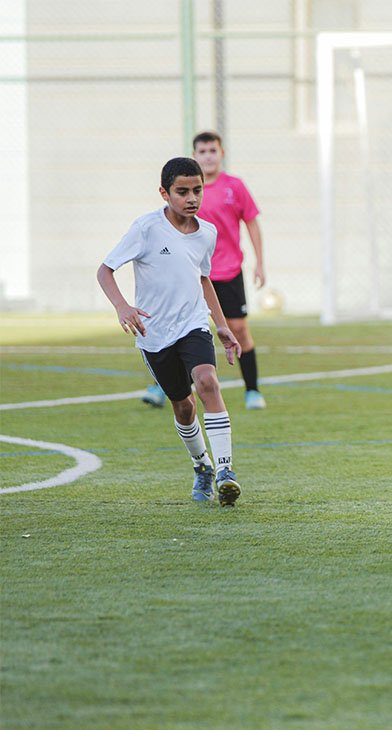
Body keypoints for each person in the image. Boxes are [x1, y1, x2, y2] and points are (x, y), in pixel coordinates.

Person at [98, 157, 243, 507]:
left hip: (192, 323)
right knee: (183, 406)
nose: (191, 198)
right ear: (164, 193)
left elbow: (203, 278)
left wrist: (220, 324)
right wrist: (123, 306)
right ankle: (202, 466)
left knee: (208, 381)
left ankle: (225, 472)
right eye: (182, 192)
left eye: (197, 190)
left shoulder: (207, 233)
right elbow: (105, 270)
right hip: (154, 332)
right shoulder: (146, 229)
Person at [142, 131, 267, 410]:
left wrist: (259, 261)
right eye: (203, 151)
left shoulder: (234, 187)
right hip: (190, 274)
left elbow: (252, 222)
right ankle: (164, 386)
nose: (208, 156)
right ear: (194, 155)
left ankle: (253, 390)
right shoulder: (185, 188)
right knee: (178, 329)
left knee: (238, 330)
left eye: (213, 150)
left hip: (228, 271)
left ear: (221, 153)